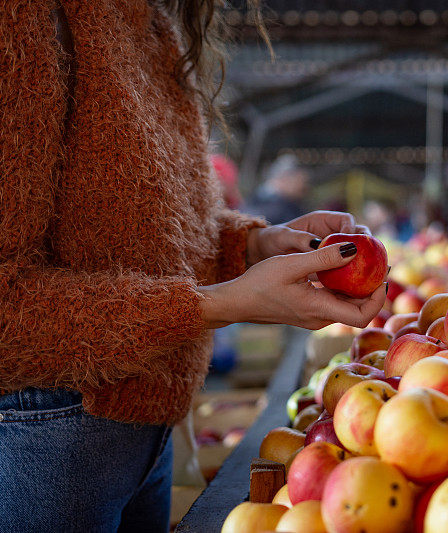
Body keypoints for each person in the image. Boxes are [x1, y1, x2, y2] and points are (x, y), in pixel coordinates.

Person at [0, 3, 384, 531]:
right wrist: (221, 304)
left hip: (149, 428)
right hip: (45, 434)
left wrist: (255, 245)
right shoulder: (25, 20)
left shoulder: (149, 19)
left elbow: (148, 235)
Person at [246, 153, 310, 224]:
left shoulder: (288, 202)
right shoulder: (273, 205)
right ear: (285, 179)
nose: (304, 187)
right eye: (301, 181)